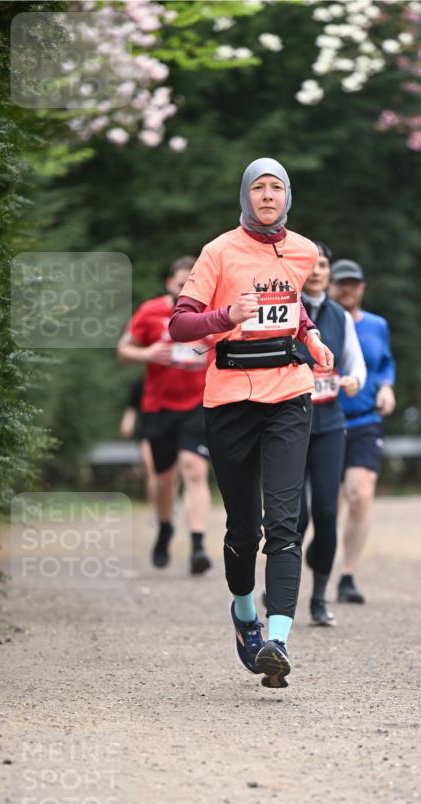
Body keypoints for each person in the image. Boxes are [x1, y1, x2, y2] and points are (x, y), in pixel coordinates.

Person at [169, 158, 334, 689]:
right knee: (244, 528)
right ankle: (245, 617)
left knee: (286, 522)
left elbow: (291, 304)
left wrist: (311, 337)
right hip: (230, 400)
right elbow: (180, 324)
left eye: (276, 188)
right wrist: (226, 317)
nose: (267, 196)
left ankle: (277, 642)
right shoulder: (218, 251)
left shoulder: (303, 250)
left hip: (289, 393)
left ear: (288, 196)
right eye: (258, 187)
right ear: (245, 195)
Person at [117, 256, 213, 575]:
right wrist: (146, 353)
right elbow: (123, 349)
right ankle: (165, 527)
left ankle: (198, 545)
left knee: (194, 469)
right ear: (170, 283)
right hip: (159, 407)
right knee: (164, 479)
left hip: (198, 405)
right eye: (181, 283)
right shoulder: (151, 311)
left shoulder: (213, 313)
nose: (187, 289)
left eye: (193, 283)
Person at [298, 242, 366, 626]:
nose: (317, 271)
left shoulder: (340, 315)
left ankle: (319, 598)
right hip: (288, 425)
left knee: (326, 511)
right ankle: (281, 588)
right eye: (310, 265)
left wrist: (354, 380)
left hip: (328, 424)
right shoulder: (285, 310)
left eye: (322, 265)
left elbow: (356, 364)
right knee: (293, 516)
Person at [329, 259, 396, 605]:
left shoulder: (377, 325)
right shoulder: (317, 323)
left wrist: (386, 387)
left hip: (364, 421)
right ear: (330, 286)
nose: (347, 289)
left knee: (360, 494)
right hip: (325, 422)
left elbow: (385, 362)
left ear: (362, 287)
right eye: (341, 283)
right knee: (325, 505)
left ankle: (348, 575)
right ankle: (303, 571)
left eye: (352, 284)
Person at [119, 378, 159, 507]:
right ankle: (155, 507)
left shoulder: (173, 381)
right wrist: (127, 422)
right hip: (147, 433)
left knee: (169, 473)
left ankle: (168, 504)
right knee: (151, 469)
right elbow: (132, 408)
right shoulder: (140, 385)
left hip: (171, 431)